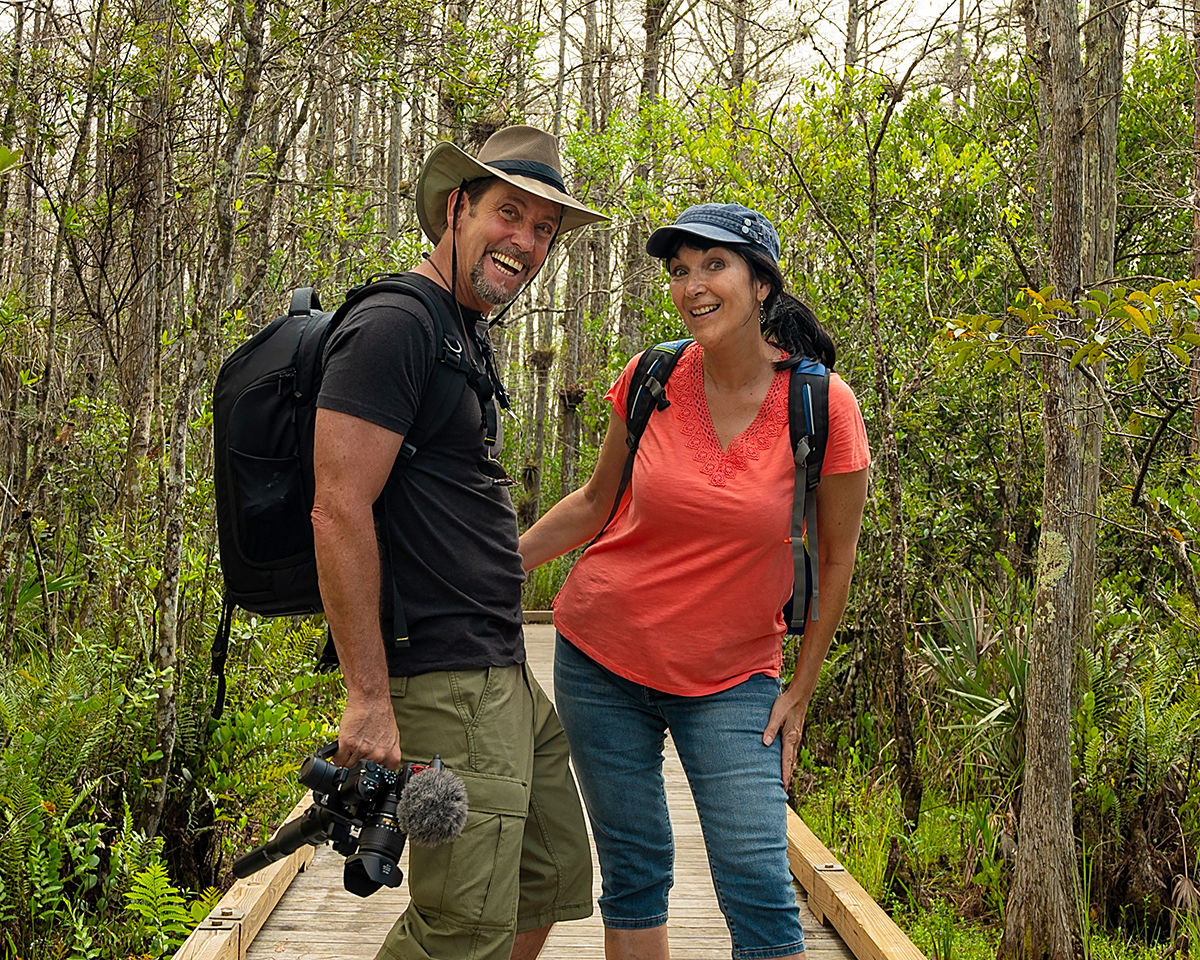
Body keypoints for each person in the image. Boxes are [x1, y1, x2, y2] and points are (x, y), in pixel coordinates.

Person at [519, 202, 871, 960]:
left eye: (715, 265)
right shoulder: (651, 376)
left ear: (763, 285)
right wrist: (493, 568)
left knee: (758, 885)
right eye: (681, 270)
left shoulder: (821, 404)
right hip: (599, 658)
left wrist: (801, 687)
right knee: (635, 872)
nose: (693, 285)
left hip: (732, 675)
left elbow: (836, 559)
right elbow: (591, 504)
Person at [311, 125, 606, 960]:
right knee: (464, 919)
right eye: (509, 213)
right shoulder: (395, 325)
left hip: (498, 667)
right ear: (458, 207)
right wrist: (368, 697)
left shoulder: (461, 330)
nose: (527, 240)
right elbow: (337, 509)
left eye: (545, 227)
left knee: (547, 877)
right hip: (440, 676)